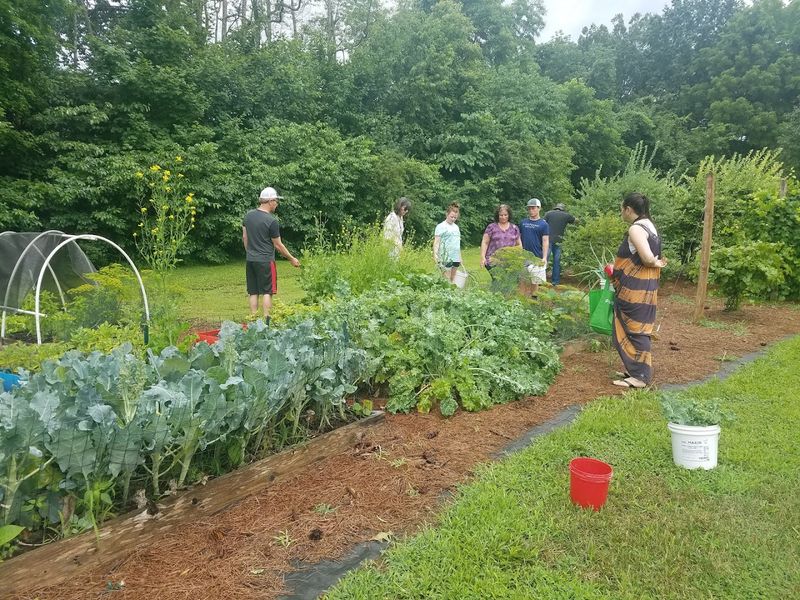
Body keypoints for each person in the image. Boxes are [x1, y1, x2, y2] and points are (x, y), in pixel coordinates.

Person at [611, 192, 667, 389]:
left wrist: (654, 261)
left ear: (628, 209)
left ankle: (640, 377)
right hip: (646, 286)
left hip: (634, 289)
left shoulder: (636, 228)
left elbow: (646, 257)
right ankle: (635, 369)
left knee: (636, 330)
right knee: (634, 327)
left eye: (621, 209)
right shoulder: (650, 225)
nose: (621, 212)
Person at [242, 186, 300, 323]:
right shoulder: (271, 221)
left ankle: (253, 321)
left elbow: (245, 238)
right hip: (266, 261)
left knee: (253, 291)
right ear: (270, 201)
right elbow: (278, 245)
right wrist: (291, 258)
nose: (277, 204)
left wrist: (250, 252)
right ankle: (267, 323)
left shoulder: (248, 216)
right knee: (268, 292)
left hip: (250, 260)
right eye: (276, 201)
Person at [479, 204, 521, 277]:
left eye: (505, 215)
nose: (503, 217)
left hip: (509, 261)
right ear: (497, 216)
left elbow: (519, 245)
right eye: (501, 215)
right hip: (492, 260)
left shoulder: (514, 228)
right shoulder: (491, 227)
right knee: (498, 279)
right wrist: (483, 257)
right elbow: (485, 242)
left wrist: (518, 258)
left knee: (507, 281)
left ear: (509, 215)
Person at [519, 198, 549, 297]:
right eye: (529, 208)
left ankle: (534, 299)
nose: (531, 210)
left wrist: (544, 257)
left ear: (539, 208)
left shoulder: (543, 224)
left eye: (533, 208)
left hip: (536, 256)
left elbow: (545, 241)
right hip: (523, 256)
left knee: (535, 280)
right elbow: (518, 238)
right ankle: (521, 299)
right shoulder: (523, 222)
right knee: (522, 279)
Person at [543, 202, 576, 286]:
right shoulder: (566, 215)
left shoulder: (548, 214)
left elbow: (543, 224)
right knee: (556, 261)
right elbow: (575, 220)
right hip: (559, 241)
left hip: (548, 240)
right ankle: (555, 282)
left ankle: (541, 280)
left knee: (544, 260)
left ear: (556, 208)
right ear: (563, 209)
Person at [433, 202, 462, 283]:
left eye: (455, 217)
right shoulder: (440, 226)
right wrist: (435, 255)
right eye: (451, 217)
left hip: (455, 257)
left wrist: (460, 257)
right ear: (447, 214)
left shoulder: (456, 227)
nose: (453, 219)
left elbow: (457, 243)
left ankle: (452, 294)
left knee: (453, 279)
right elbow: (436, 242)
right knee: (446, 279)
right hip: (445, 256)